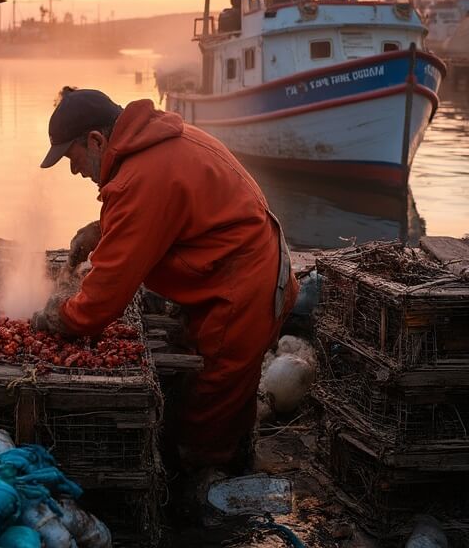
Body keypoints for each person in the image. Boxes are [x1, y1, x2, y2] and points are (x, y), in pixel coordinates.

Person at [32, 87, 297, 474]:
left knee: (204, 423)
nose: (74, 170)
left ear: (96, 140)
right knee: (230, 404)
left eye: (72, 158)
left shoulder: (141, 176)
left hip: (240, 296)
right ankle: (236, 461)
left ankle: (208, 509)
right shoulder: (159, 143)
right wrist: (104, 228)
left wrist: (59, 316)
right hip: (247, 272)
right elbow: (161, 210)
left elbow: (98, 305)